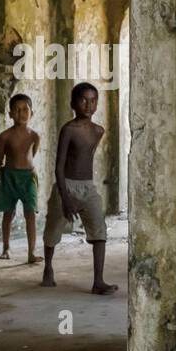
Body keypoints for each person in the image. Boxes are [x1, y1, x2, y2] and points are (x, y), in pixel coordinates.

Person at [41, 82, 115, 294]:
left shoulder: (98, 131)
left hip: (88, 188)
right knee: (53, 229)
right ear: (73, 103)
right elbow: (59, 166)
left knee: (99, 231)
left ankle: (98, 282)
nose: (89, 104)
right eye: (83, 100)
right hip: (66, 186)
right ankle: (48, 268)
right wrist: (65, 197)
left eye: (93, 100)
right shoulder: (69, 130)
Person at [0, 93, 41, 264]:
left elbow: (32, 155)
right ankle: (6, 248)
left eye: (25, 109)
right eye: (17, 110)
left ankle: (31, 253)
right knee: (8, 213)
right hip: (9, 177)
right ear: (10, 114)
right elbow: (0, 160)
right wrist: (4, 176)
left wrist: (27, 171)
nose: (21, 113)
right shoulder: (4, 136)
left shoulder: (34, 136)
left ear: (32, 113)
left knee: (30, 214)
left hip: (28, 177)